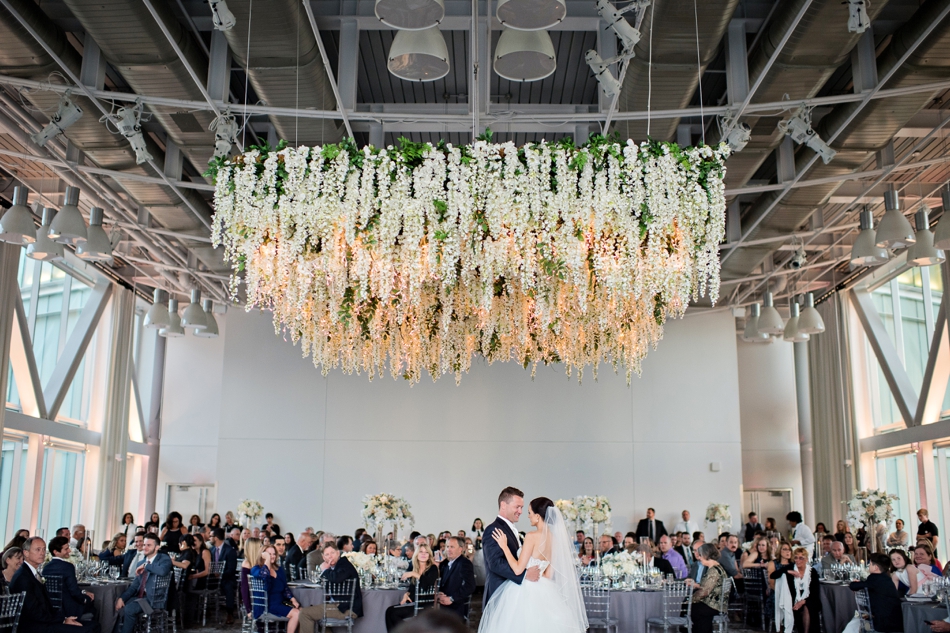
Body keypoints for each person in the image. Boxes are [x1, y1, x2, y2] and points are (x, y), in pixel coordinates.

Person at [478, 496, 588, 633]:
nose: (528, 516)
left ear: (537, 516)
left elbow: (518, 570)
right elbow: (548, 575)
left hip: (524, 589)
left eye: (529, 512)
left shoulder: (531, 536)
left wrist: (505, 547)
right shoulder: (555, 540)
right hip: (546, 591)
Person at [12, 536, 100, 632]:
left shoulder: (34, 572)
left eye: (43, 549)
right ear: (26, 553)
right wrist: (62, 620)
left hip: (45, 620)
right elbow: (33, 612)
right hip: (34, 626)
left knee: (94, 625)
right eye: (38, 549)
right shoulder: (23, 577)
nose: (42, 553)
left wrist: (64, 618)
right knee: (87, 629)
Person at [481, 487, 543, 605]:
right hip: (499, 594)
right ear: (503, 505)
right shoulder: (493, 529)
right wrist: (525, 575)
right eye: (517, 507)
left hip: (513, 595)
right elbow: (495, 563)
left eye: (522, 507)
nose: (520, 511)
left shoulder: (512, 529)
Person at [298, 543, 363, 633]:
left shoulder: (344, 564)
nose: (330, 557)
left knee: (304, 613)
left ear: (338, 553)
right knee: (316, 616)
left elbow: (337, 578)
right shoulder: (335, 567)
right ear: (323, 557)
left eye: (332, 553)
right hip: (339, 606)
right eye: (327, 554)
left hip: (347, 609)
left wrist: (325, 570)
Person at [385, 542, 441, 631]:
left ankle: (410, 630)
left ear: (429, 555)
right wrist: (406, 594)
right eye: (421, 552)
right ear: (417, 554)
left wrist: (413, 574)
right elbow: (412, 588)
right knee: (389, 611)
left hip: (425, 605)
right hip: (414, 602)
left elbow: (427, 583)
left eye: (426, 552)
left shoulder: (432, 568)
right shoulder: (415, 568)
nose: (423, 554)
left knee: (393, 614)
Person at [846, 553, 903, 633]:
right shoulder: (886, 578)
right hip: (894, 619)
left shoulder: (874, 578)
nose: (868, 566)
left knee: (853, 624)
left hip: (884, 622)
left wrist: (855, 583)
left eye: (870, 564)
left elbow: (853, 586)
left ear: (876, 568)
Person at [43, 537, 96, 621]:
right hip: (69, 609)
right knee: (95, 604)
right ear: (56, 552)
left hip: (52, 608)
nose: (69, 551)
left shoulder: (46, 567)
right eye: (66, 549)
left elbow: (63, 588)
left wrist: (83, 592)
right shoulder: (67, 567)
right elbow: (74, 592)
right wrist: (85, 599)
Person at [250, 544, 300, 632]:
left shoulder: (279, 569)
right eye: (269, 554)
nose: (272, 556)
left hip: (280, 602)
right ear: (262, 555)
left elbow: (285, 587)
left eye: (273, 554)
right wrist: (267, 560)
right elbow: (265, 575)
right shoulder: (256, 569)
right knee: (296, 614)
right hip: (266, 605)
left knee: (303, 611)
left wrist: (293, 599)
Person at [772, 547, 820, 633]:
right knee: (801, 609)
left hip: (810, 599)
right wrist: (788, 572)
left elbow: (815, 593)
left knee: (807, 607)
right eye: (796, 557)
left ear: (806, 559)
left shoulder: (812, 572)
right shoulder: (791, 567)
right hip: (793, 600)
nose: (798, 560)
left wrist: (802, 601)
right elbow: (773, 575)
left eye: (801, 558)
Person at [685, 543, 728, 633]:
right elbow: (707, 586)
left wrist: (690, 599)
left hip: (713, 605)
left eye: (700, 555)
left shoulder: (713, 570)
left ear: (706, 555)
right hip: (715, 603)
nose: (699, 558)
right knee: (691, 606)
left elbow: (704, 592)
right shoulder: (716, 567)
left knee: (690, 607)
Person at [437, 536, 476, 620]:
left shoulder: (464, 563)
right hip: (443, 605)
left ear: (460, 549)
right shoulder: (446, 563)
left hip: (456, 607)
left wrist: (452, 598)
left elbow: (470, 586)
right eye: (447, 547)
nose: (448, 550)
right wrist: (439, 593)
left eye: (452, 547)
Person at [210, 527, 238, 624]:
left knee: (228, 587)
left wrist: (220, 575)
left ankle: (230, 613)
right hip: (213, 579)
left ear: (216, 538)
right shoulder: (211, 550)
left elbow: (231, 569)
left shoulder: (230, 550)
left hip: (227, 578)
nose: (210, 538)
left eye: (211, 536)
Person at [239, 537, 262, 619]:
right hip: (256, 603)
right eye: (260, 546)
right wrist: (248, 609)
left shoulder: (260, 562)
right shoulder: (247, 564)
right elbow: (244, 589)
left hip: (262, 600)